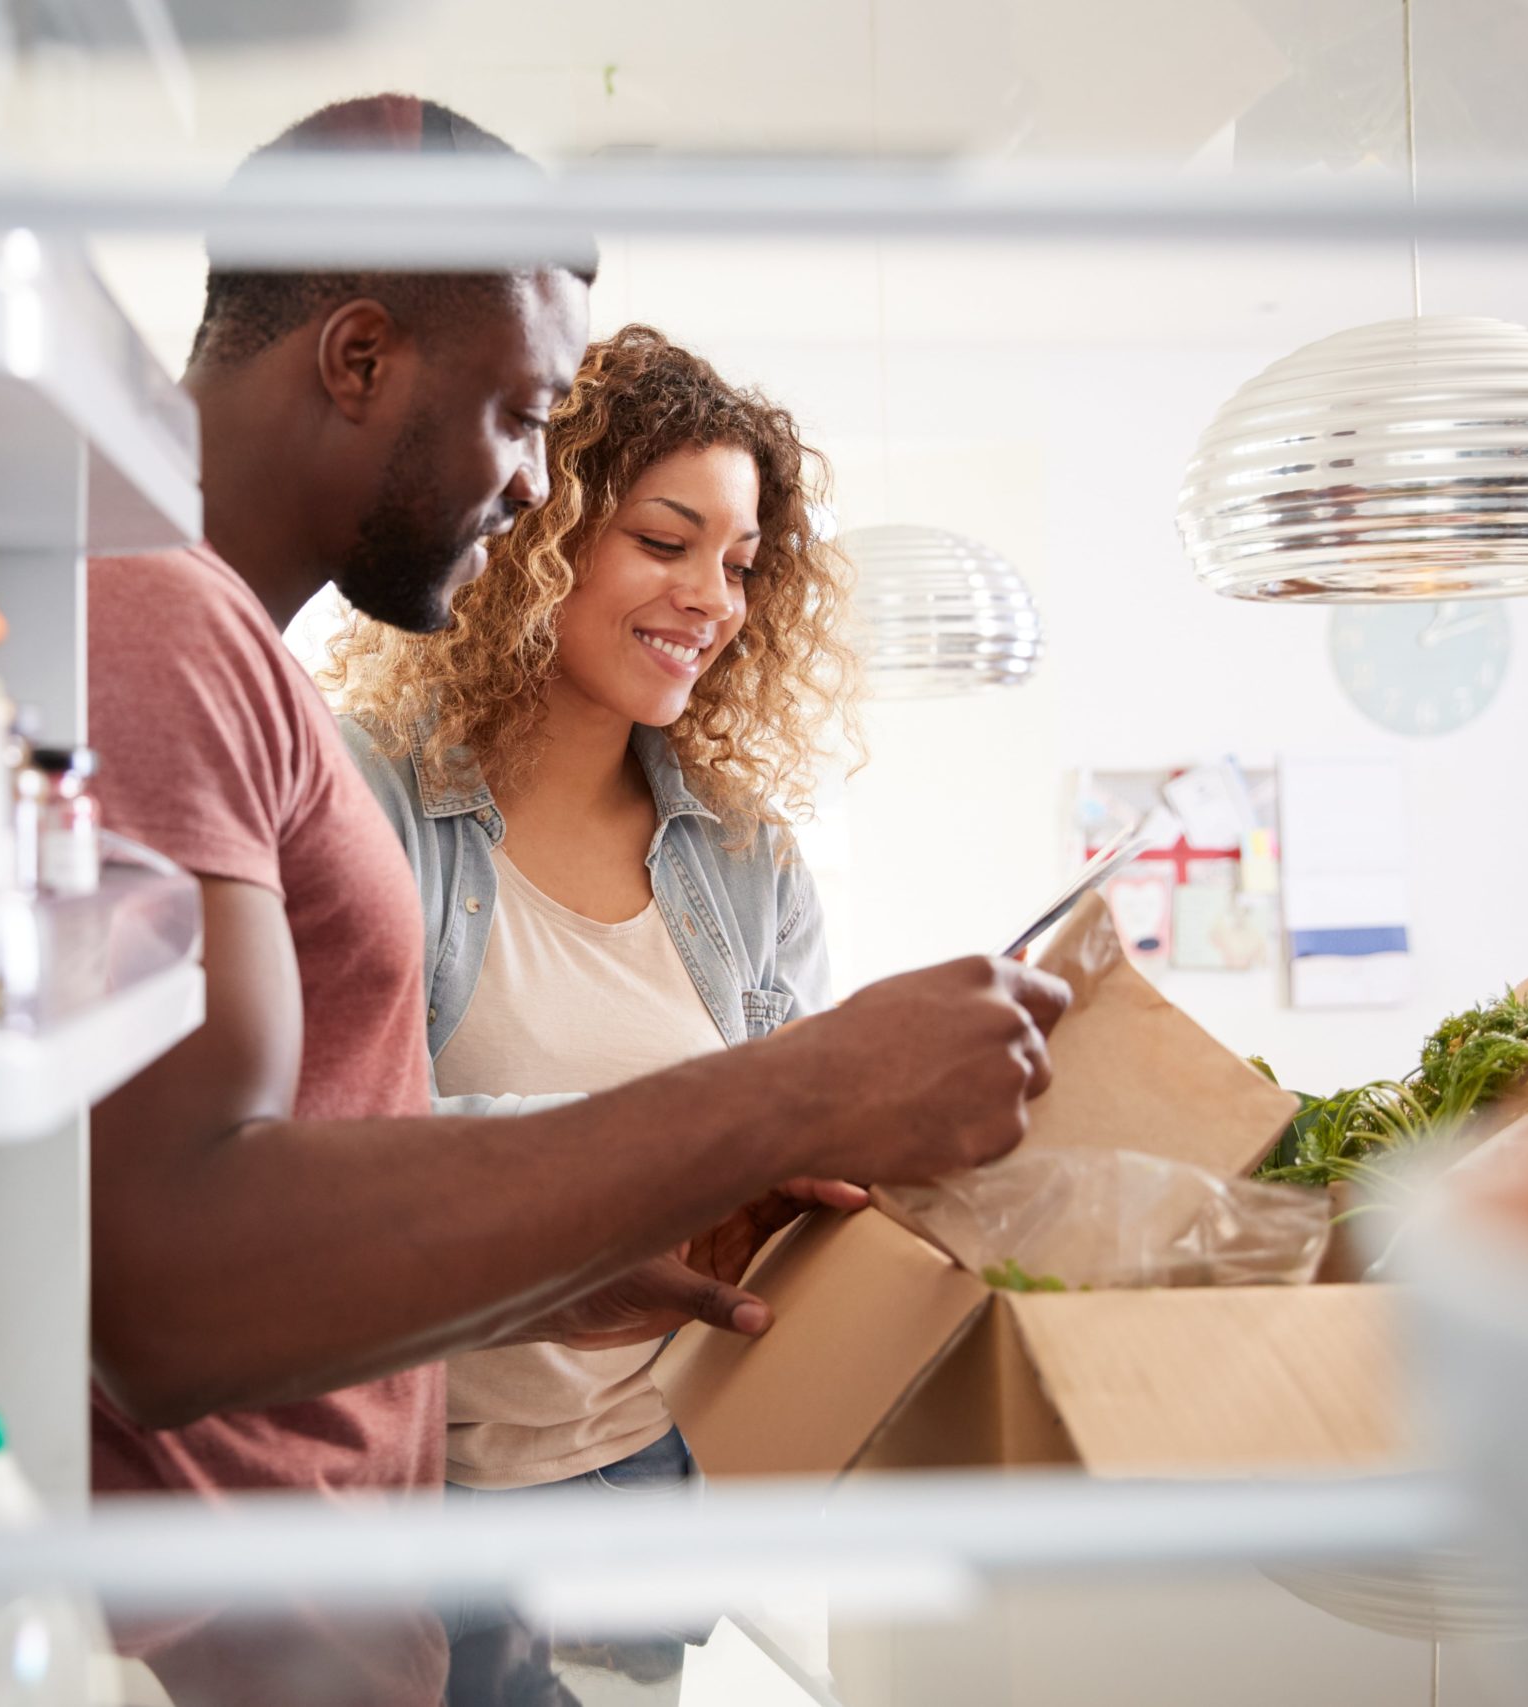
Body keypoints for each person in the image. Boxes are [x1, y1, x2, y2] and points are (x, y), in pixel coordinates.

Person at [83, 95, 1069, 1707]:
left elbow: (303, 1176)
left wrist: (569, 1257)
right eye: (527, 415)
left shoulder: (209, 646)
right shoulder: (158, 628)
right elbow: (171, 1288)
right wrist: (796, 1089)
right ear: (357, 360)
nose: (540, 486)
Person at [326, 323, 854, 1695]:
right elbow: (315, 1155)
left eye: (741, 565)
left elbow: (790, 1181)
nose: (713, 597)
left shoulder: (748, 862)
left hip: (647, 1486)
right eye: (665, 541)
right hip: (414, 1507)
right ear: (534, 536)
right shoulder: (370, 807)